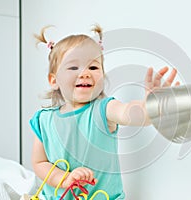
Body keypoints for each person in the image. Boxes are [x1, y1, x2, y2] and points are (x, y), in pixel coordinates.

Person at [30, 24, 180, 200]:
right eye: (73, 68)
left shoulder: (104, 109)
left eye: (93, 68)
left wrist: (151, 107)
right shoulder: (43, 120)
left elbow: (131, 114)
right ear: (54, 80)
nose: (85, 73)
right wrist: (65, 179)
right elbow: (40, 163)